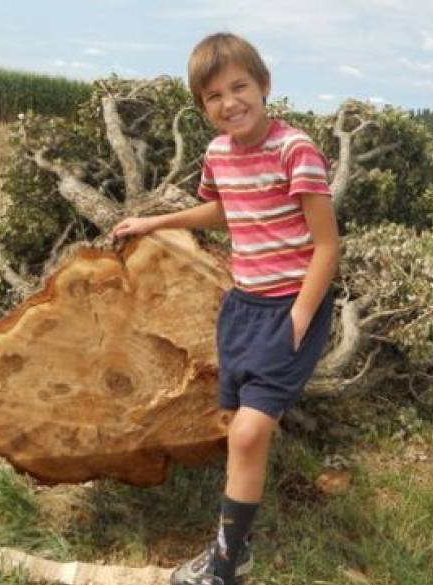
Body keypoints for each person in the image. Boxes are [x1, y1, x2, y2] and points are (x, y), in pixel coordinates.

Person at [112, 32, 339, 585]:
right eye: (213, 96)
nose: (229, 102)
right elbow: (222, 210)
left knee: (247, 434)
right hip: (243, 307)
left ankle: (225, 564)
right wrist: (155, 221)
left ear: (265, 86)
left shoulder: (295, 150)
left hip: (291, 308)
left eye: (239, 87)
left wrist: (299, 319)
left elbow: (327, 246)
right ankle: (240, 545)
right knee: (241, 427)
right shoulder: (217, 154)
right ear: (202, 106)